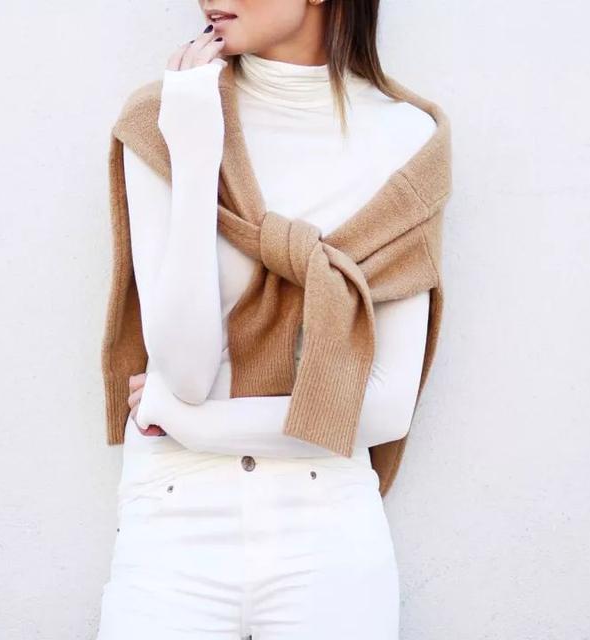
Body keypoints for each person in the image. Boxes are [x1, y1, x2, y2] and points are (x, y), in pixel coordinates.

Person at [97, 1, 440, 638]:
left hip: (326, 524)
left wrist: (189, 422)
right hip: (175, 514)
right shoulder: (166, 114)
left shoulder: (407, 140)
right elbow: (186, 371)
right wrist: (195, 157)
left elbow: (386, 407)